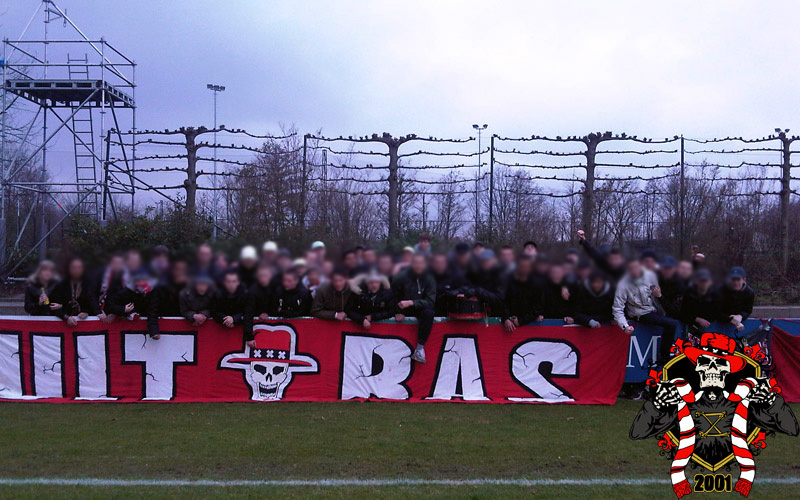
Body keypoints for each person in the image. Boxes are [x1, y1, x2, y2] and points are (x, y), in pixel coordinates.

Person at [613, 259, 680, 365]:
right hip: (640, 314)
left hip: (655, 309)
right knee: (671, 324)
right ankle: (664, 357)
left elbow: (658, 296)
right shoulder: (623, 285)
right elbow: (617, 309)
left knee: (675, 318)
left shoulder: (651, 276)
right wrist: (624, 326)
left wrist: (659, 296)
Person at [392, 254, 436, 363]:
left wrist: (412, 302)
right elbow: (392, 296)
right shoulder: (401, 277)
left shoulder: (429, 279)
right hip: (402, 308)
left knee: (429, 313)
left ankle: (419, 349)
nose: (418, 265)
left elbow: (430, 302)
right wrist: (397, 311)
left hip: (419, 308)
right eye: (415, 263)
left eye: (421, 263)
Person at [147, 259, 189, 339]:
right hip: (163, 326)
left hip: (184, 328)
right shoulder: (160, 287)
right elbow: (152, 310)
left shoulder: (189, 287)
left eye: (183, 270)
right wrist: (154, 331)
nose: (180, 273)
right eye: (178, 269)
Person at [502, 254, 544, 333]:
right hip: (510, 325)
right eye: (521, 266)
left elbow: (538, 308)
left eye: (526, 266)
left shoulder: (537, 284)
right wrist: (506, 319)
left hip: (530, 325)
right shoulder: (510, 282)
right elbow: (505, 302)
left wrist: (522, 320)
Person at [50, 257, 98, 325]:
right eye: (74, 268)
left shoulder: (89, 285)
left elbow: (93, 304)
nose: (76, 270)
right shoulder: (61, 285)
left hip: (84, 324)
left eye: (79, 268)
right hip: (62, 324)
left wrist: (86, 313)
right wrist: (65, 317)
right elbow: (53, 306)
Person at [465, 249, 506, 314]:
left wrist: (478, 291)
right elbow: (470, 286)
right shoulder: (479, 275)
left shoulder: (500, 276)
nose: (485, 263)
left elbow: (499, 299)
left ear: (494, 260)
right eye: (483, 261)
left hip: (498, 315)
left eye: (487, 260)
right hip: (481, 313)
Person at [717, 266, 754, 332]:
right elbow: (716, 311)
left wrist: (740, 316)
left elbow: (748, 310)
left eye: (738, 280)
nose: (735, 282)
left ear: (744, 280)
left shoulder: (749, 293)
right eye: (733, 280)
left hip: (739, 322)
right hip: (719, 323)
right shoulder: (720, 291)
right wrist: (730, 319)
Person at [96, 253, 130, 323]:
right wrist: (97, 311)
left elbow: (117, 299)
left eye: (120, 263)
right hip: (96, 312)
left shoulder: (125, 278)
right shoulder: (99, 275)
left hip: (114, 314)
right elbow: (91, 295)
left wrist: (114, 313)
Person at [244, 265, 275, 340]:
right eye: (261, 276)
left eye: (265, 276)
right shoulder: (252, 291)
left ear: (271, 276)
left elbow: (276, 306)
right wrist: (249, 337)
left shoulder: (275, 287)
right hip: (256, 323)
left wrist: (268, 313)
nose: (263, 279)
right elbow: (248, 313)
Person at [657, 256, 686, 320]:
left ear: (675, 269)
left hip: (673, 316)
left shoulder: (679, 284)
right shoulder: (656, 279)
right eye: (664, 268)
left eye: (669, 268)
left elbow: (675, 310)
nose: (667, 271)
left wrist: (660, 296)